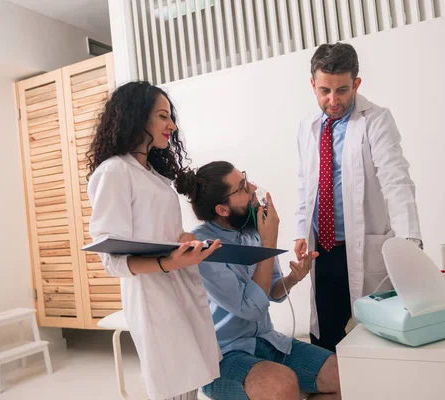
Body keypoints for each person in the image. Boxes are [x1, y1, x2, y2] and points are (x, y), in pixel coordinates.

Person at [86, 81, 222, 400]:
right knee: (173, 383)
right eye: (163, 116)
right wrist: (167, 262)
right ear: (138, 117)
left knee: (189, 383)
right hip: (152, 297)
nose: (172, 126)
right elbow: (112, 259)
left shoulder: (155, 177)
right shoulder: (114, 173)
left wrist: (182, 241)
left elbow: (162, 233)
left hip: (178, 286)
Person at [294, 43, 423, 353]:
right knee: (327, 338)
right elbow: (305, 184)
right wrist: (300, 231)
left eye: (342, 90)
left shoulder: (376, 120)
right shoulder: (307, 126)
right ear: (313, 84)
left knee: (371, 340)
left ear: (356, 84)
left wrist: (410, 242)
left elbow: (396, 179)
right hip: (320, 250)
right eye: (324, 90)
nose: (333, 100)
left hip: (362, 249)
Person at [174, 162, 342, 400]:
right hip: (224, 355)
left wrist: (293, 278)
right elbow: (250, 309)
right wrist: (268, 243)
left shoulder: (251, 231)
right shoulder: (204, 248)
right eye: (242, 187)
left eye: (245, 178)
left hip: (266, 339)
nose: (253, 187)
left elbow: (272, 291)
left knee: (343, 375)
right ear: (222, 209)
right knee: (280, 385)